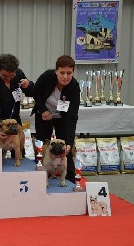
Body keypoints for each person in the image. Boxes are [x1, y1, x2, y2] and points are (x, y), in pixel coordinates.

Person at [32, 55, 80, 183]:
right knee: (42, 146)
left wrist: (69, 142)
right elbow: (35, 93)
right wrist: (43, 110)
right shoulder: (47, 76)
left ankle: (70, 181)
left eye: (69, 73)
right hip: (44, 114)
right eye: (62, 73)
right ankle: (40, 178)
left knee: (66, 150)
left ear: (73, 72)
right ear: (56, 71)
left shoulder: (75, 87)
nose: (65, 77)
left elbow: (72, 116)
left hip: (62, 117)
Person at [0, 53, 34, 158]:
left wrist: (28, 84)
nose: (8, 78)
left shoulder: (19, 74)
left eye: (12, 75)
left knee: (19, 155)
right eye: (4, 75)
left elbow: (31, 92)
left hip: (15, 121)